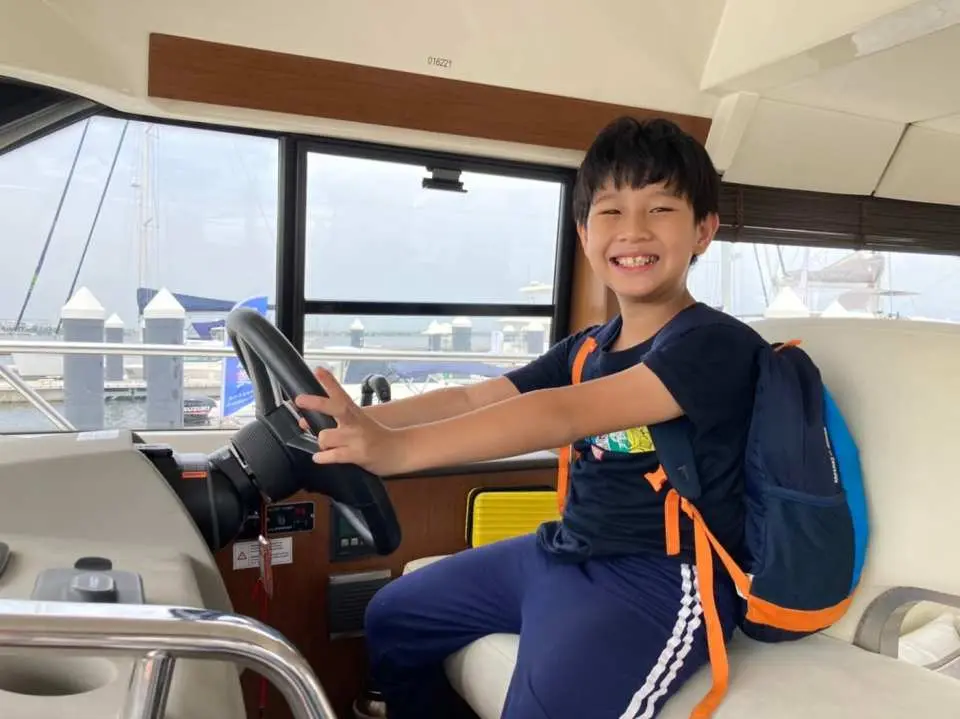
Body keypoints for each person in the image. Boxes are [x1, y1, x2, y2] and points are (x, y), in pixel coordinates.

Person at [295, 116, 766, 719]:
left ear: (704, 231)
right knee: (393, 615)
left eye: (661, 209)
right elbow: (474, 399)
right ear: (584, 232)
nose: (634, 231)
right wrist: (360, 421)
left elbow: (561, 413)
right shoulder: (589, 348)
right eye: (611, 212)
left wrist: (397, 451)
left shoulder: (716, 346)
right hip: (565, 550)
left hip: (665, 579)